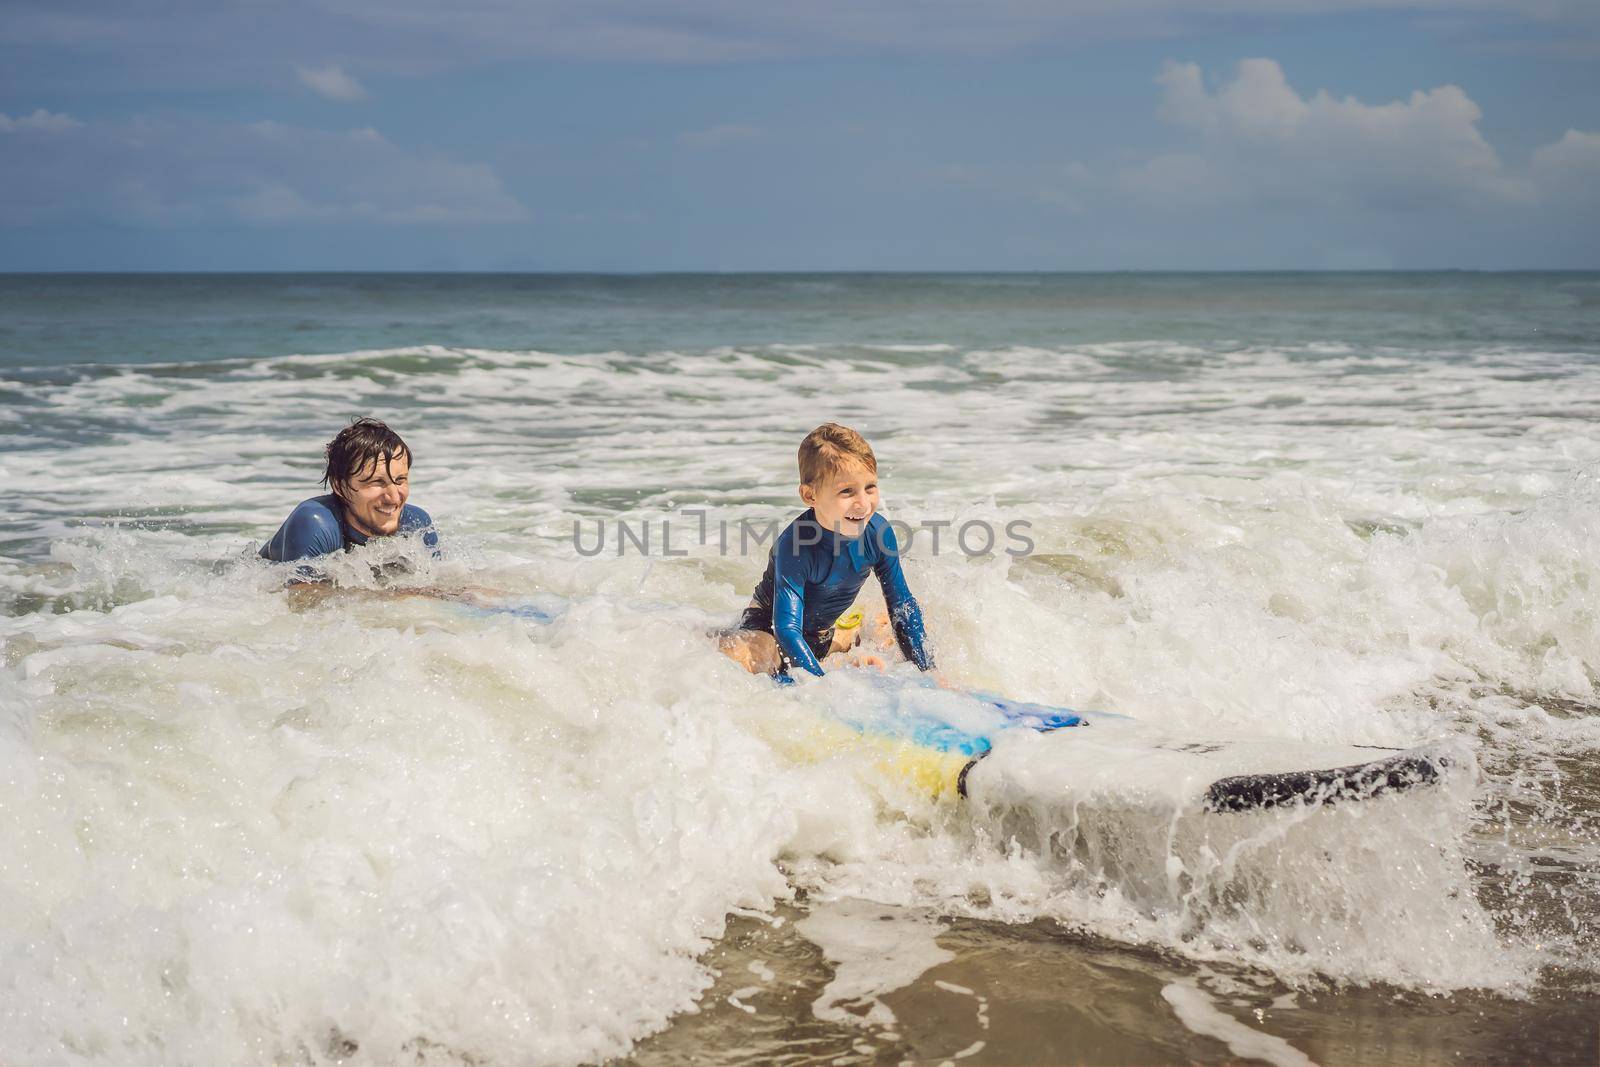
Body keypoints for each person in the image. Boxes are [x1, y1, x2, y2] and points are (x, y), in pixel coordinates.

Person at [720, 422, 934, 678]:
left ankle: (840, 643)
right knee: (756, 652)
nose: (863, 504)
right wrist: (822, 687)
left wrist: (928, 673)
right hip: (770, 630)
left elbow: (902, 603)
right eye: (847, 492)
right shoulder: (795, 545)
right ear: (810, 496)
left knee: (894, 622)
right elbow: (787, 630)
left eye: (870, 488)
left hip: (820, 633)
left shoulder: (878, 533)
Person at [260, 418, 437, 573]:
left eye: (400, 480)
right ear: (339, 485)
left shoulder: (416, 525)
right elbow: (303, 604)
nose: (393, 497)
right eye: (377, 482)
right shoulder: (314, 523)